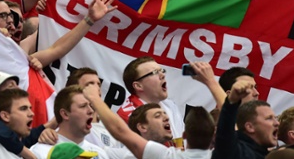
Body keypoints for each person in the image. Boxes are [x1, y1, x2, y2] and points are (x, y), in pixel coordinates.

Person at [83, 81, 216, 159]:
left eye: (163, 114)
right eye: (158, 116)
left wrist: (94, 98)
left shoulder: (165, 156)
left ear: (184, 135)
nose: (166, 118)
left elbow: (120, 131)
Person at [117, 57, 184, 146]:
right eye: (155, 72)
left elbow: (181, 143)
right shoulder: (128, 116)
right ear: (138, 86)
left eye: (162, 71)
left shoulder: (170, 105)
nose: (162, 75)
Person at [30, 86, 108, 159]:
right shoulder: (40, 152)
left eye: (90, 106)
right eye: (83, 106)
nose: (91, 111)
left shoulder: (99, 153)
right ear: (65, 114)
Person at [212, 80, 279, 159]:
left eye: (275, 118)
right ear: (250, 127)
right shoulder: (235, 152)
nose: (277, 123)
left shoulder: (273, 155)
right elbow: (225, 132)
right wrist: (232, 102)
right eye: (269, 118)